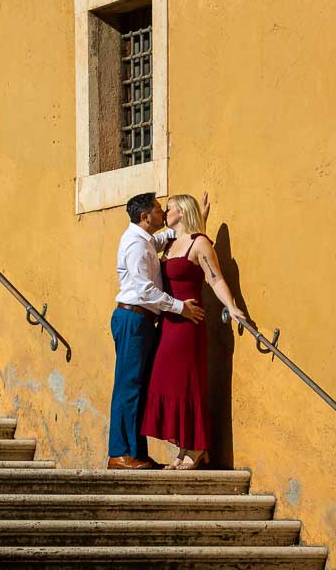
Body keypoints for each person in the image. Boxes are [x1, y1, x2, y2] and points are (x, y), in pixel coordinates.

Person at [140, 193, 245, 469]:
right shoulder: (171, 243)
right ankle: (186, 446)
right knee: (169, 382)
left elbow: (215, 277)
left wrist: (232, 307)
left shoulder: (200, 244)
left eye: (170, 208)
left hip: (188, 325)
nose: (165, 213)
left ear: (182, 212)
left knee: (188, 382)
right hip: (168, 322)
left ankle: (196, 447)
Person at [106, 191, 205, 470]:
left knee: (139, 386)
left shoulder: (145, 239)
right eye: (159, 210)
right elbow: (144, 290)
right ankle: (120, 453)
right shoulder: (135, 245)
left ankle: (136, 452)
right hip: (133, 318)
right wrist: (179, 307)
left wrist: (195, 225)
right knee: (128, 385)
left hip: (143, 321)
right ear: (145, 216)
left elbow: (165, 238)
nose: (163, 214)